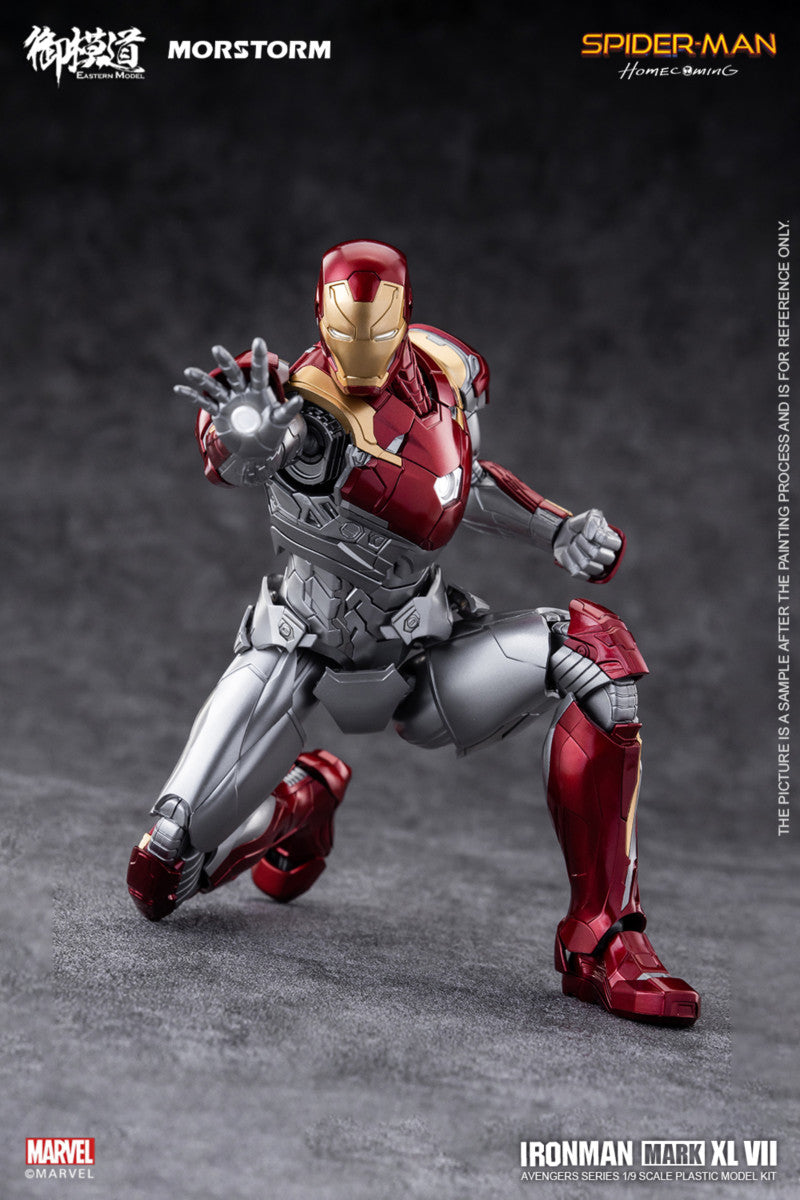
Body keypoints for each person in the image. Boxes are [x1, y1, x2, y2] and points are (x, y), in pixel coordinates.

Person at [127, 240, 699, 1026]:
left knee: (594, 655)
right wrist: (244, 436)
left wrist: (558, 529)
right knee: (160, 873)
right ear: (321, 316)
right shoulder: (289, 401)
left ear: (402, 314)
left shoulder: (447, 371)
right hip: (298, 650)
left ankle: (603, 938)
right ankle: (299, 801)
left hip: (421, 654)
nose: (362, 342)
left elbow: (460, 484)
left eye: (379, 323)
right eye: (346, 325)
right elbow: (232, 450)